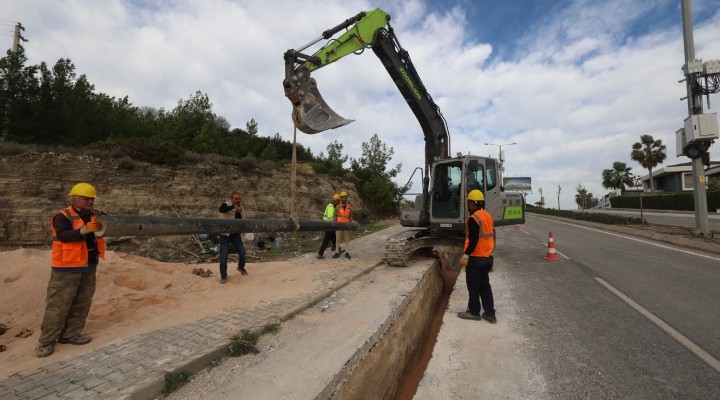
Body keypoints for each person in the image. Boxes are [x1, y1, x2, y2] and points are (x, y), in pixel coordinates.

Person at [36, 183, 106, 358]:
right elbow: (63, 236)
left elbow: (107, 224)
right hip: (66, 268)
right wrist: (82, 231)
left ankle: (70, 335)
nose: (90, 201)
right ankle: (46, 342)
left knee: (82, 302)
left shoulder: (95, 214)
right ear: (74, 199)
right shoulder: (63, 216)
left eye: (92, 198)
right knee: (58, 305)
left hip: (89, 265)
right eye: (86, 198)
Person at [457, 189, 496, 323]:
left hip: (476, 258)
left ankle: (474, 312)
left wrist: (466, 254)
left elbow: (473, 240)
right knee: (485, 285)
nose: (468, 206)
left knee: (473, 286)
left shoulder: (474, 219)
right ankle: (490, 314)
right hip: (487, 258)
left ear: (473, 203)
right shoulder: (488, 216)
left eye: (469, 203)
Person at [218, 191, 248, 283]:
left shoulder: (241, 207)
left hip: (235, 235)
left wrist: (239, 212)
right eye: (236, 199)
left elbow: (239, 221)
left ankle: (240, 267)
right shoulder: (225, 204)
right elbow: (222, 209)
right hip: (225, 235)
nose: (238, 200)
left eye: (239, 199)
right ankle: (223, 276)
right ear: (231, 199)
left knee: (242, 252)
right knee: (223, 257)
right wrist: (233, 206)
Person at [317, 193, 339, 259]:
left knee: (333, 236)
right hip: (329, 225)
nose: (338, 203)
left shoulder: (330, 205)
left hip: (328, 225)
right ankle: (320, 254)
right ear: (336, 201)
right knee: (326, 240)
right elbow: (330, 217)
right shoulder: (331, 207)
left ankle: (337, 247)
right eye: (338, 201)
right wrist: (335, 221)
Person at [333, 191, 352, 259]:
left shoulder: (349, 207)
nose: (344, 199)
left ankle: (347, 252)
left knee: (347, 239)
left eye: (345, 198)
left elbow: (350, 217)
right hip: (339, 225)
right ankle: (337, 252)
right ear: (341, 199)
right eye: (342, 198)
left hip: (346, 226)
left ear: (346, 199)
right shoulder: (337, 207)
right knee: (337, 240)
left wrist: (350, 224)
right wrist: (335, 224)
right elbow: (335, 216)